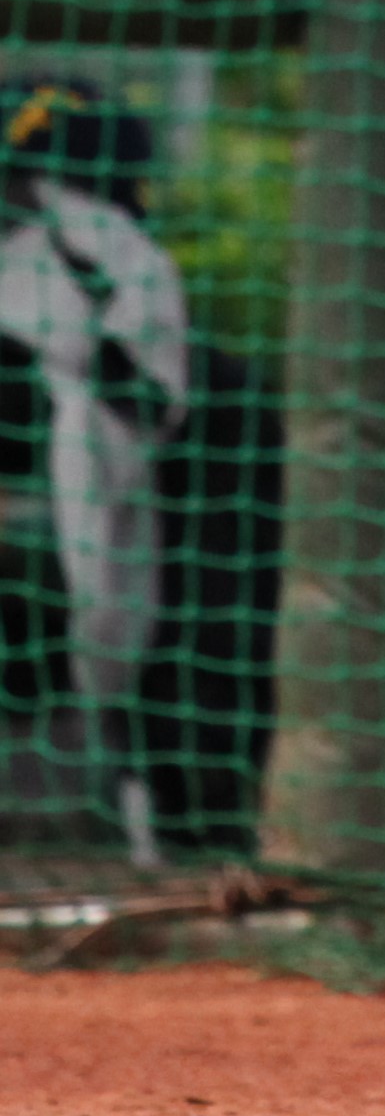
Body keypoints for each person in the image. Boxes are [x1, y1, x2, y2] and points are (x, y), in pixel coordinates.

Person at [0, 78, 187, 870]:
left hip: (70, 521)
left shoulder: (102, 256)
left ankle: (136, 823)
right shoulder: (63, 255)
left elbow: (147, 396)